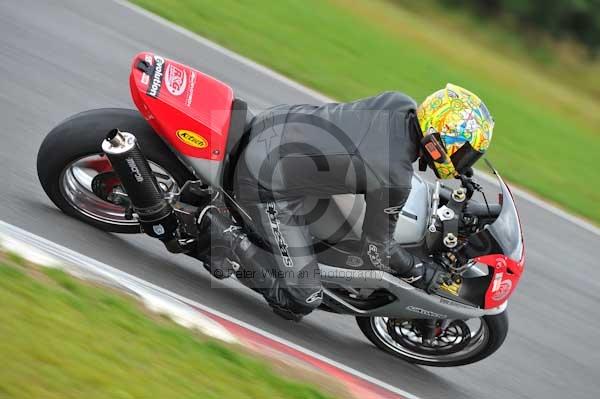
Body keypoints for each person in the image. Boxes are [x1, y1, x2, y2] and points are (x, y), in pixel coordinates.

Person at [231, 83, 494, 321]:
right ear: (442, 139)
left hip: (275, 123)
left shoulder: (399, 103)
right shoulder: (393, 175)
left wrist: (459, 175)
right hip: (263, 177)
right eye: (463, 154)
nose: (463, 162)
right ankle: (226, 240)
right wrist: (422, 273)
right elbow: (378, 252)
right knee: (302, 297)